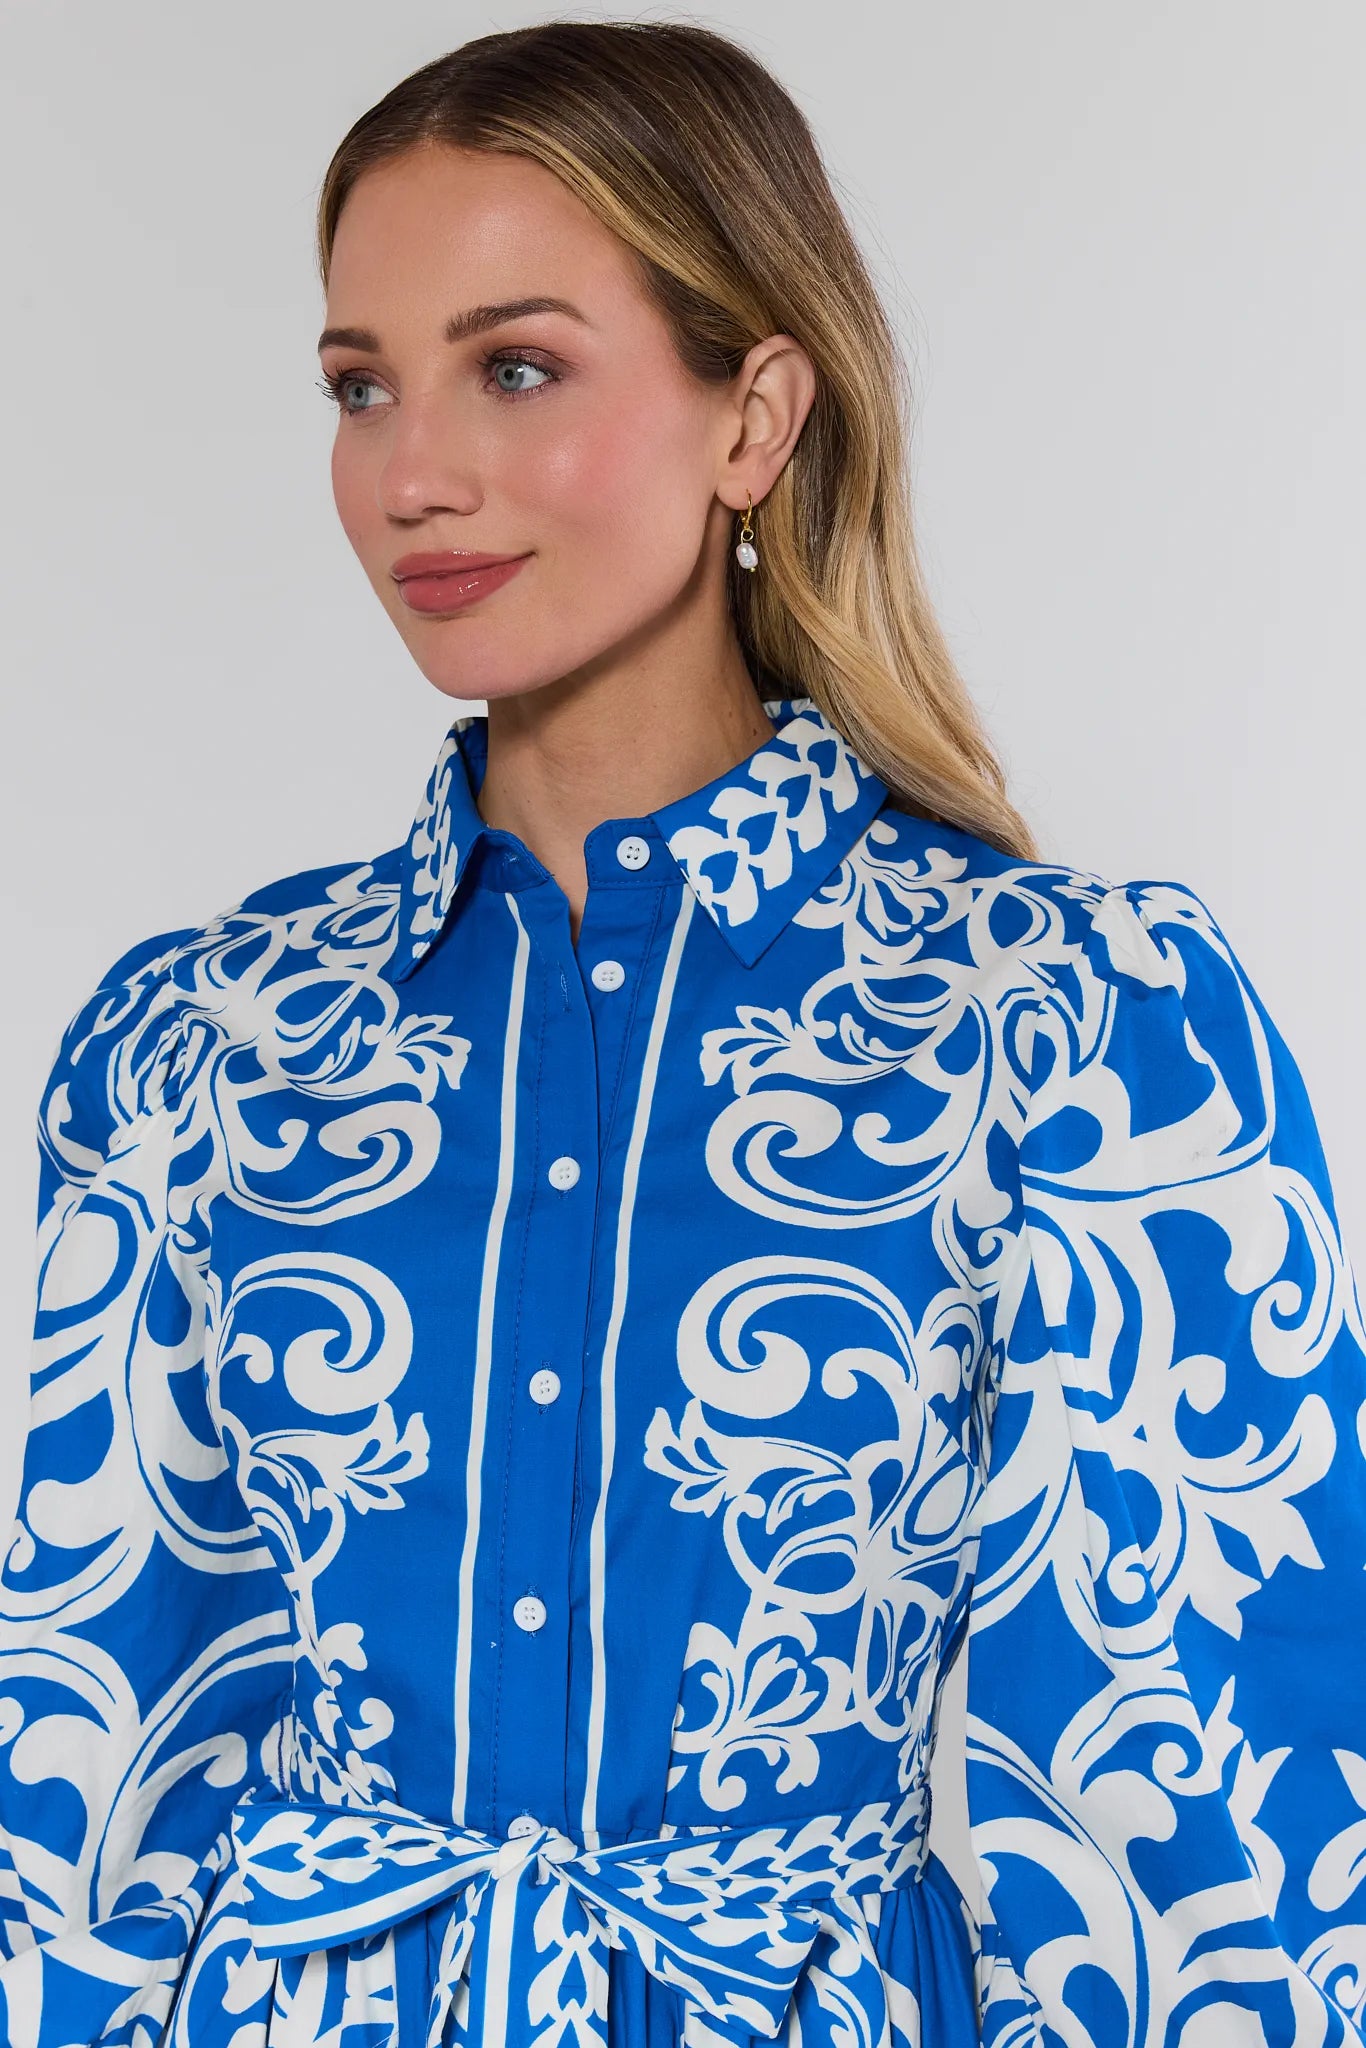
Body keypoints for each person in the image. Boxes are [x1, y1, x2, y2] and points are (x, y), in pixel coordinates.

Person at [2, 17, 1363, 2047]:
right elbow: (91, 1793)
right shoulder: (196, 1046)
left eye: (513, 368)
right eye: (360, 386)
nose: (410, 473)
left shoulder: (1065, 1026)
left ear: (754, 417)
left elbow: (1207, 1836)